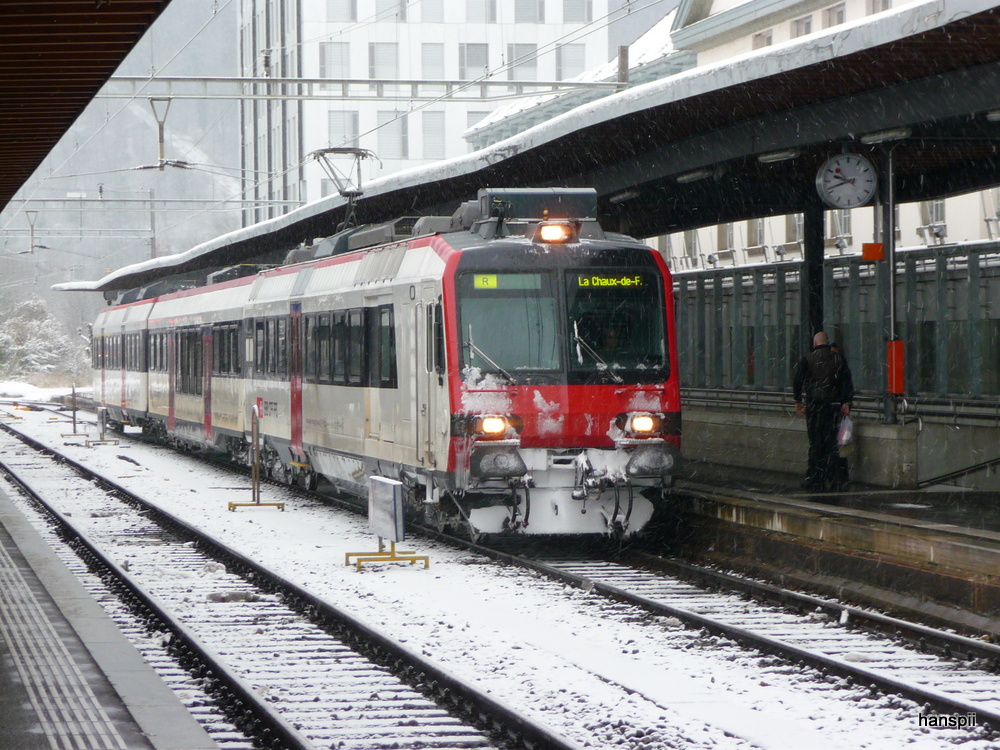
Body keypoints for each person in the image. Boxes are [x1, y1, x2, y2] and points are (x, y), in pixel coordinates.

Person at [793, 331, 854, 491]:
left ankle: (815, 478)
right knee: (832, 443)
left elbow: (797, 380)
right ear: (827, 343)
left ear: (814, 344)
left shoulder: (807, 359)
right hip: (833, 406)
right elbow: (846, 381)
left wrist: (798, 401)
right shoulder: (838, 359)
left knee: (815, 443)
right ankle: (835, 479)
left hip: (814, 406)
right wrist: (846, 401)